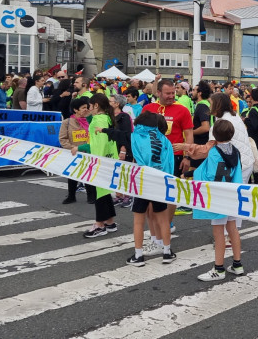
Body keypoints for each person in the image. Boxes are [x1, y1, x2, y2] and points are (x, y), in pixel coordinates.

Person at [192, 120, 246, 281]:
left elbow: (209, 175)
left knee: (219, 234)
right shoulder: (235, 151)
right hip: (231, 194)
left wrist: (191, 176)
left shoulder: (214, 151)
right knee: (233, 230)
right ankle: (237, 264)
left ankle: (219, 268)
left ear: (214, 135)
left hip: (217, 196)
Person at [126, 111, 177, 266]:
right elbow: (170, 163)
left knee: (138, 221)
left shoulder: (136, 137)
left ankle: (138, 255)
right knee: (162, 219)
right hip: (160, 182)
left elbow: (134, 157)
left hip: (142, 181)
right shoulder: (165, 140)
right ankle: (167, 252)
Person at [143, 79, 193, 219]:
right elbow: (140, 134)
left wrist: (187, 157)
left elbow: (189, 135)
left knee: (170, 193)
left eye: (173, 93)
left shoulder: (182, 110)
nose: (172, 96)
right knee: (151, 192)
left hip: (173, 157)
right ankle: (155, 227)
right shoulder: (148, 109)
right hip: (151, 158)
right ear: (158, 92)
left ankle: (168, 224)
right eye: (168, 93)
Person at [78, 94, 119, 238]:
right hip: (109, 159)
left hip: (100, 161)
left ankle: (100, 224)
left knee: (99, 193)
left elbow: (98, 144)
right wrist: (88, 116)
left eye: (89, 106)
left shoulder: (100, 119)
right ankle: (110, 221)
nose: (88, 108)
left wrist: (81, 148)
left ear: (96, 105)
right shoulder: (106, 117)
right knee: (104, 191)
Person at [58, 98, 90, 204]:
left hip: (89, 153)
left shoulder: (91, 121)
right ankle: (71, 196)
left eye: (87, 107)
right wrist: (72, 148)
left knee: (89, 175)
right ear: (76, 110)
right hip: (73, 152)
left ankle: (92, 196)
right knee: (72, 175)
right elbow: (63, 138)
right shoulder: (67, 122)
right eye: (83, 108)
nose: (86, 110)